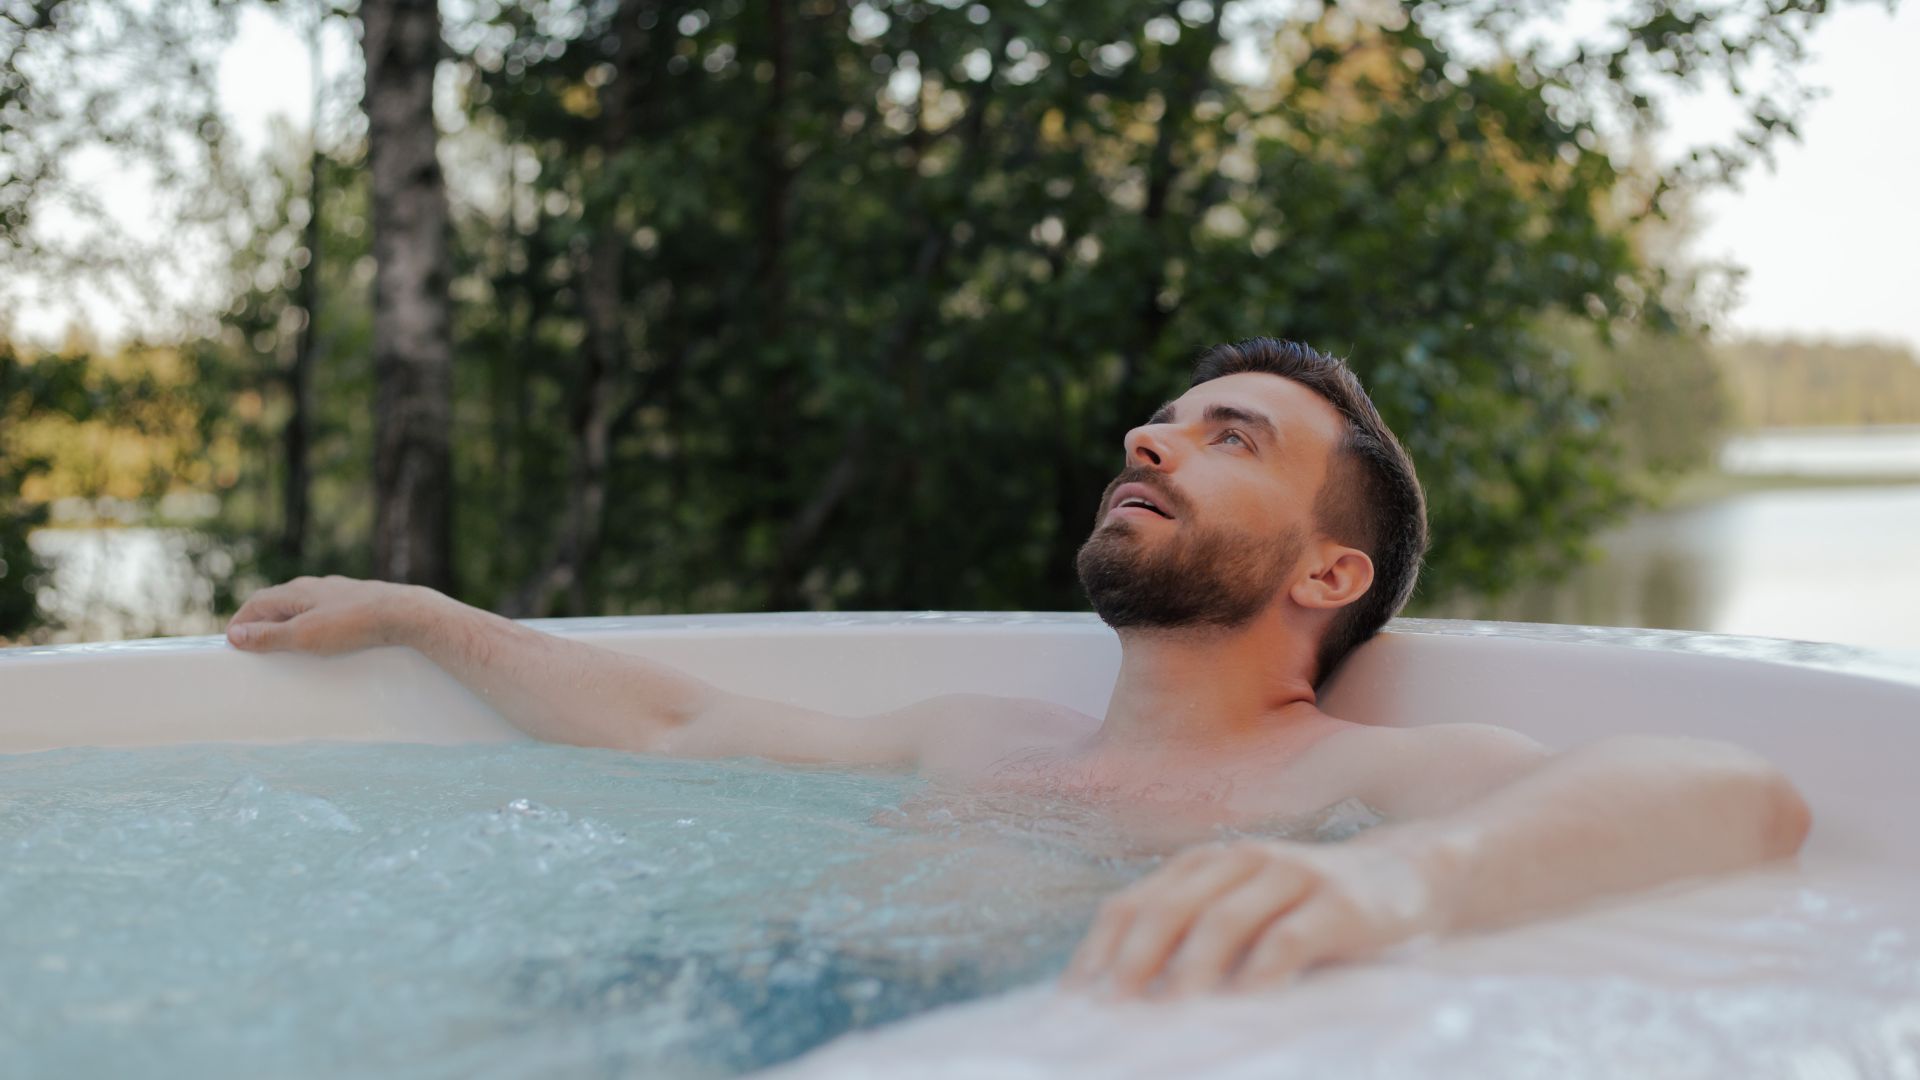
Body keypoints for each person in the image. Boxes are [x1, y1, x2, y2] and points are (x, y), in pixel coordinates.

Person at [226, 337, 1810, 999]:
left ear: (1329, 573)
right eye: (1162, 423)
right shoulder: (979, 734)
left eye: (1228, 438)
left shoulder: (1363, 781)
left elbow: (1740, 793)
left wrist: (1410, 881)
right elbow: (671, 723)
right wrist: (420, 615)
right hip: (706, 1000)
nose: (1149, 439)